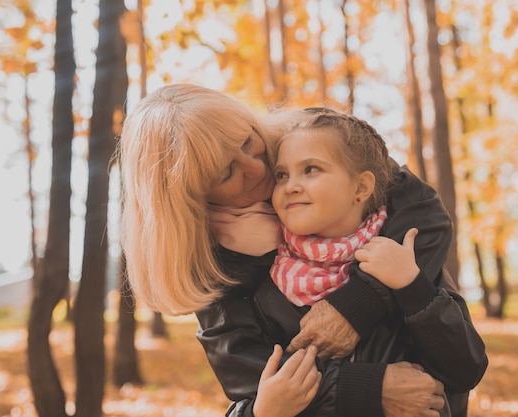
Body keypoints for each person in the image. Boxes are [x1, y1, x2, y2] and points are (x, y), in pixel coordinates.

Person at [119, 84, 487, 417]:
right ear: (192, 199)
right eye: (227, 171)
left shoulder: (310, 140)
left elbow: (422, 210)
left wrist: (355, 306)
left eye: (247, 141)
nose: (257, 166)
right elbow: (252, 380)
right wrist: (368, 390)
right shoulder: (214, 266)